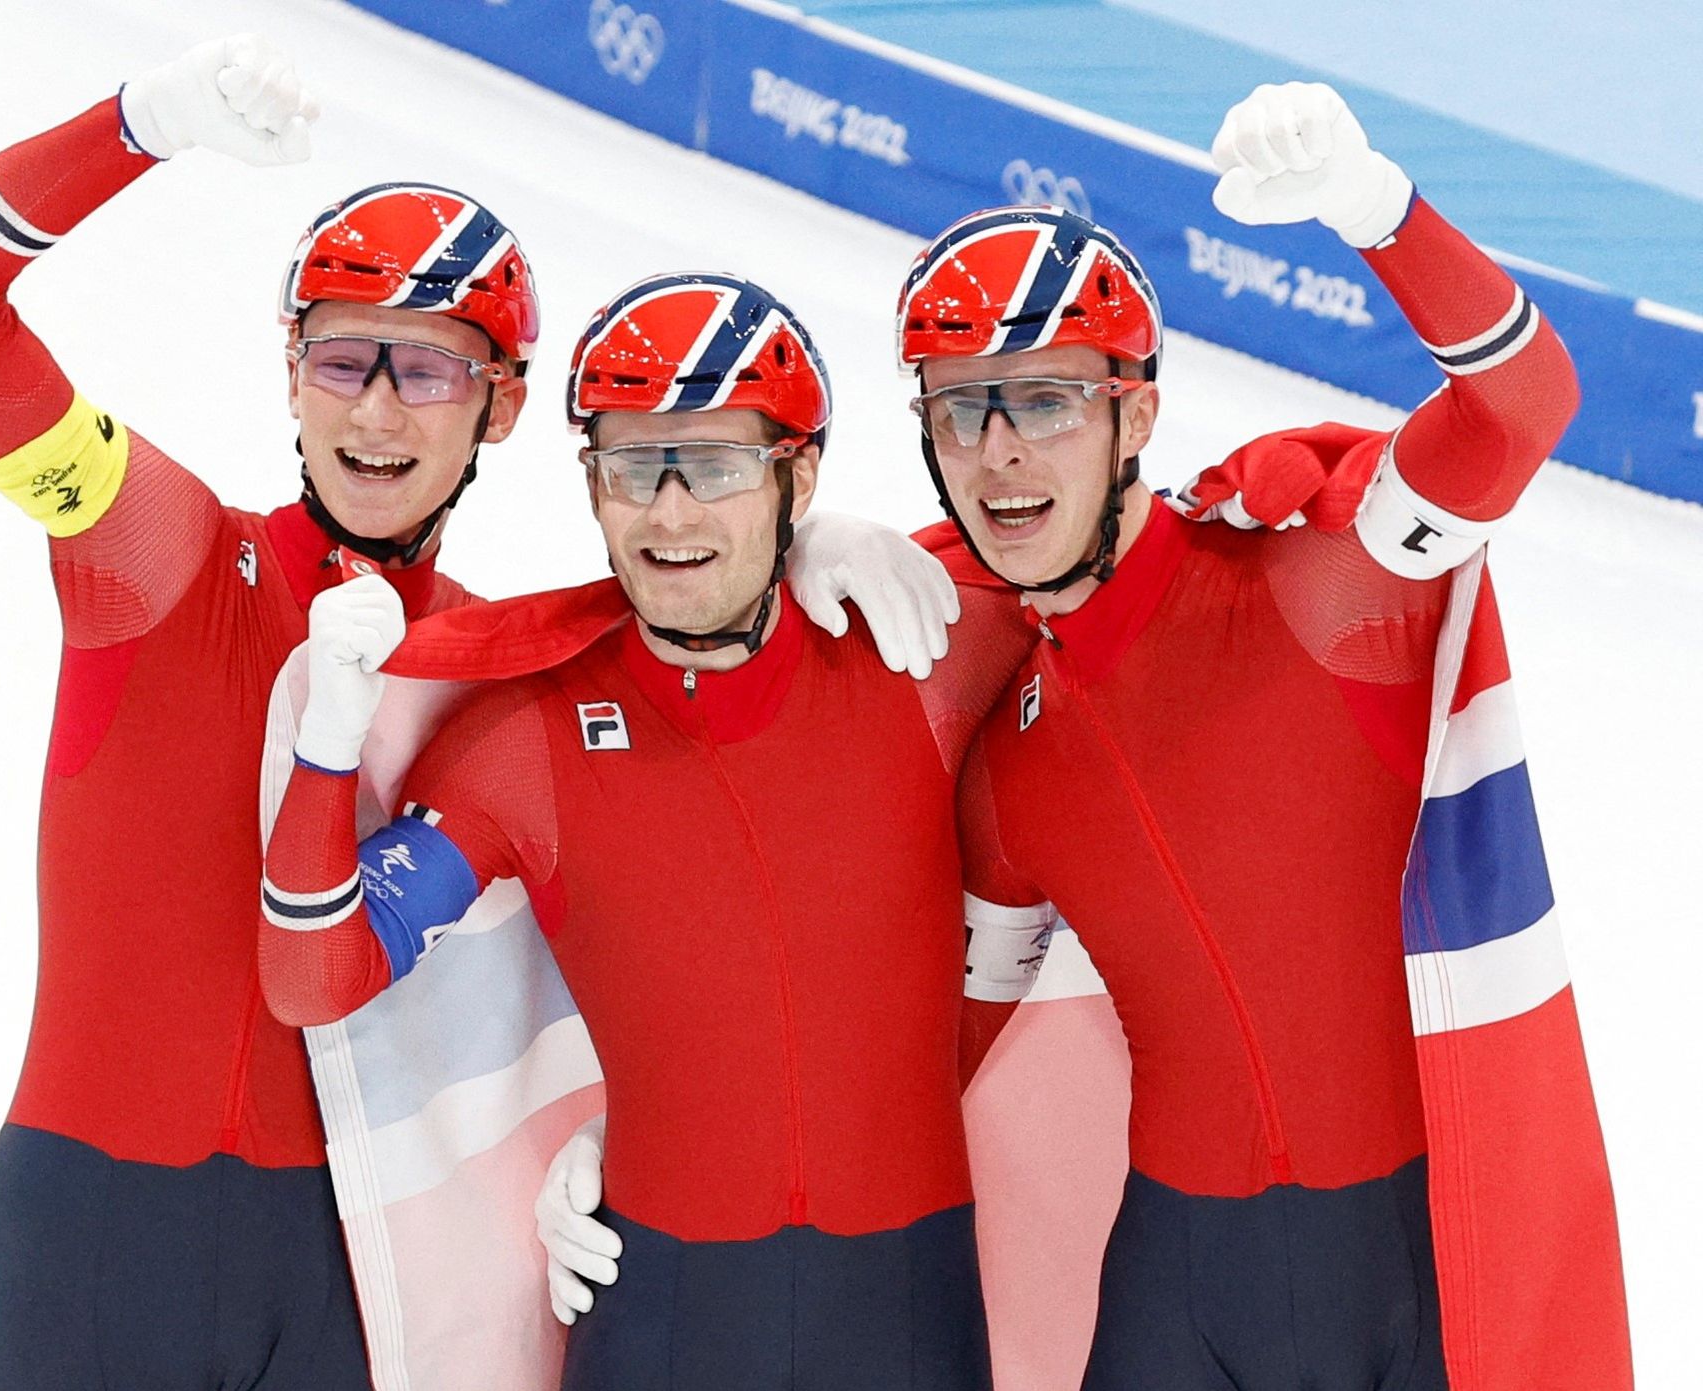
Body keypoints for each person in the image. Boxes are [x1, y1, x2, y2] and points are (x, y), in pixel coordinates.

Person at [0, 33, 946, 1386]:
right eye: (342, 362)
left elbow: (682, 928)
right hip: (99, 1232)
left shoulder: (498, 664)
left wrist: (791, 549)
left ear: (498, 406)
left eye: (427, 371)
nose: (378, 411)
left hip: (349, 1279)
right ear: (289, 374)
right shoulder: (161, 555)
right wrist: (141, 121)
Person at [537, 82, 1633, 1391]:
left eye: (1047, 398)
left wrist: (1375, 208)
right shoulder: (1015, 765)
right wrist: (665, 1129)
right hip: (1172, 1289)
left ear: (1140, 409)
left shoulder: (1322, 586)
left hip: (1404, 1272)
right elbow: (924, 1038)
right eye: (961, 407)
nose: (1001, 451)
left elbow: (1522, 407)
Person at [259, 272, 1040, 1391]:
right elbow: (314, 975)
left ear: (798, 474)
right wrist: (328, 750)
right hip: (663, 1315)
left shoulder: (926, 661)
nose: (669, 514)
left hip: (910, 1317)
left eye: (716, 467)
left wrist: (903, 545)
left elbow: (1100, 571)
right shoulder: (519, 735)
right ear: (591, 485)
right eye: (632, 467)